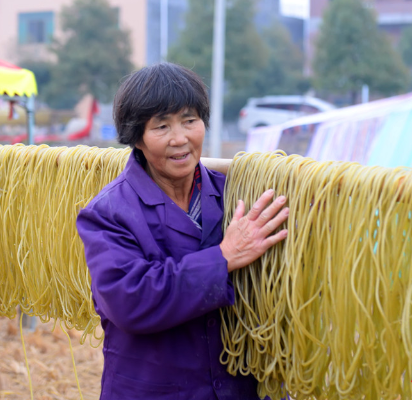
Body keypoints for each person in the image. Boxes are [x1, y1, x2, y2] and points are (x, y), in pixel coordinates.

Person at [76, 63, 289, 400]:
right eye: (162, 126)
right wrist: (223, 257)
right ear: (137, 138)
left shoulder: (237, 196)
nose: (180, 138)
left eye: (190, 121)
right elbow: (129, 301)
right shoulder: (108, 213)